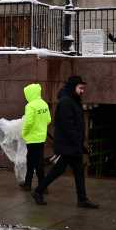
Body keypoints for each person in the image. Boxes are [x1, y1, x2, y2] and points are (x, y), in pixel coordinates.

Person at [33, 75, 98, 209]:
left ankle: (82, 199)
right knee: (58, 171)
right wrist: (77, 142)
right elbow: (67, 126)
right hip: (68, 145)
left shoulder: (73, 100)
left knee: (75, 171)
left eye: (83, 88)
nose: (82, 91)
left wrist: (79, 144)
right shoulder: (66, 102)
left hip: (72, 145)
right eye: (80, 88)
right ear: (73, 87)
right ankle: (38, 191)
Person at [20, 83, 51, 191]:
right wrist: (41, 127)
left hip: (32, 138)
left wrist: (24, 132)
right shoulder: (44, 104)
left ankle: (39, 186)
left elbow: (28, 122)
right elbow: (48, 120)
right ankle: (34, 184)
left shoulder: (30, 106)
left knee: (34, 162)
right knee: (35, 161)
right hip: (41, 137)